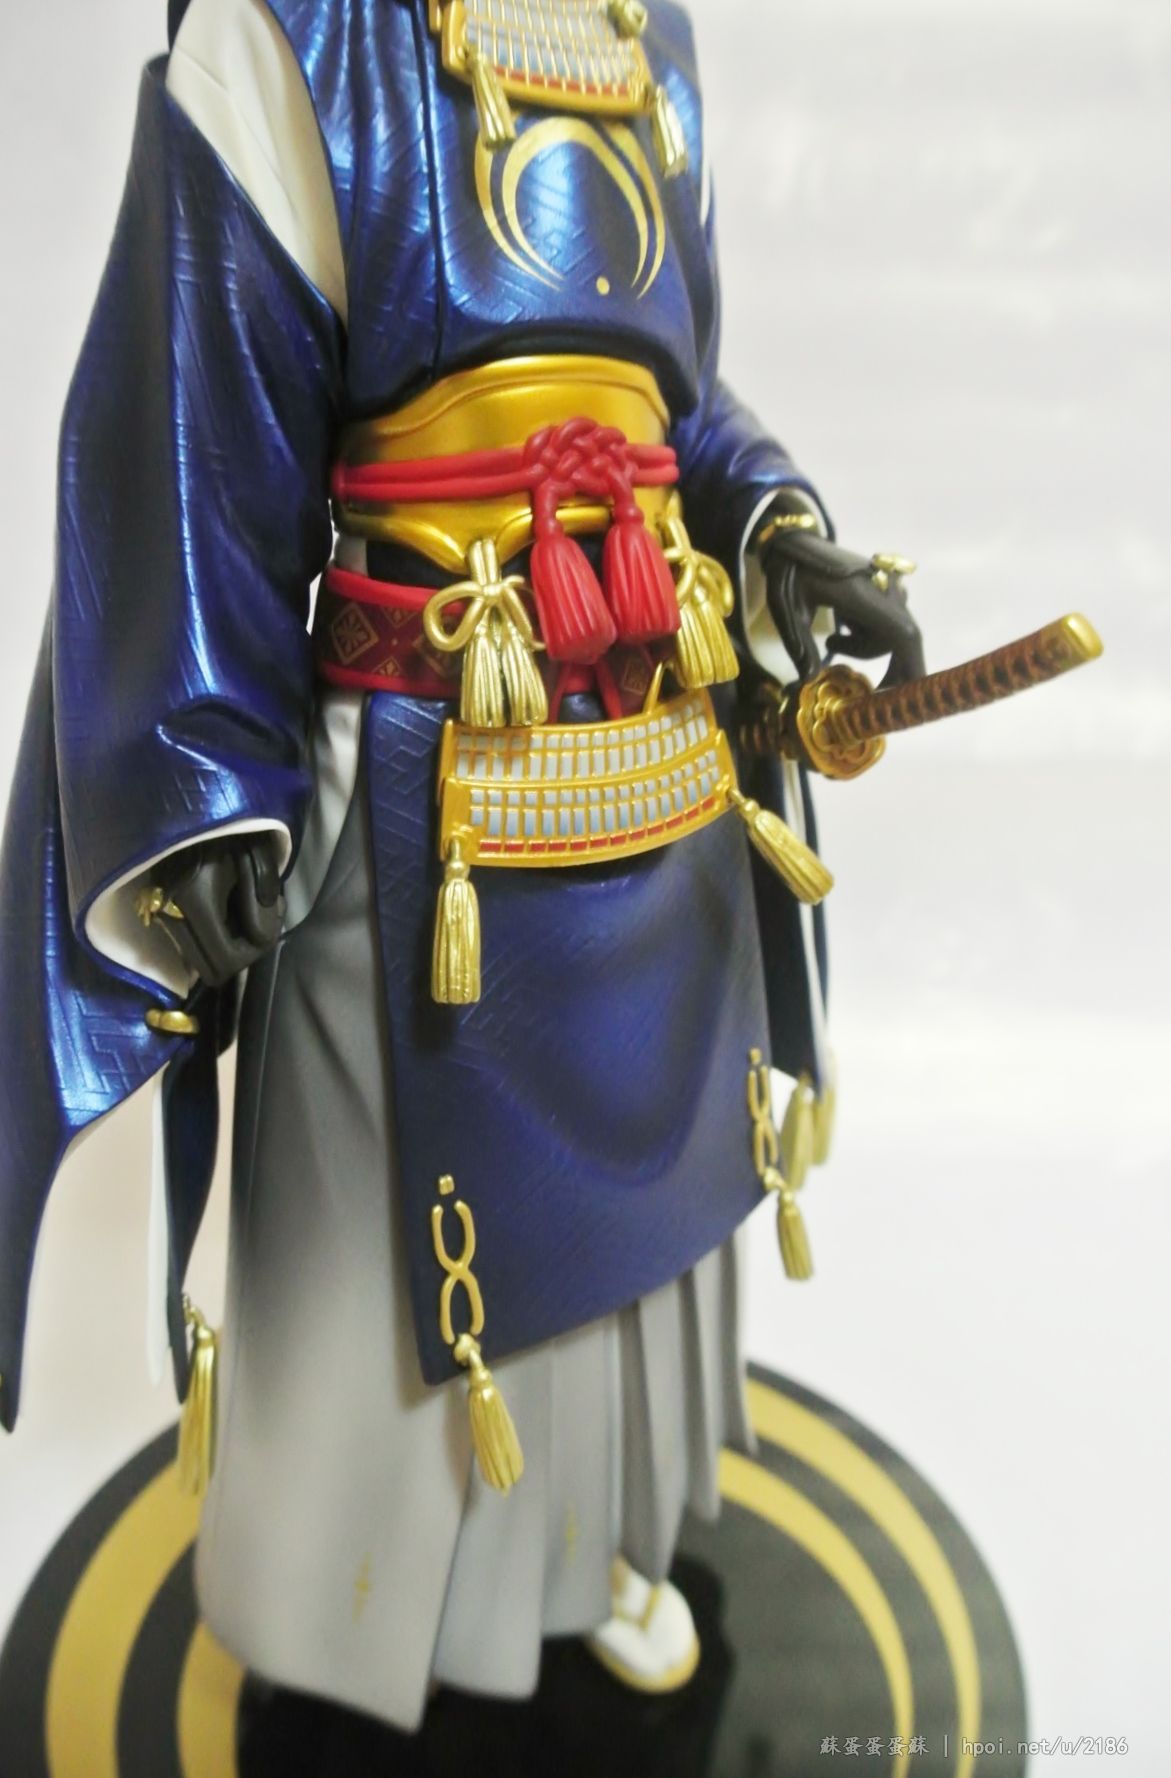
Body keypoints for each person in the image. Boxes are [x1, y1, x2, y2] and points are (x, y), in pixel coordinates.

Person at [0, 0, 922, 1731]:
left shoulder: (650, 38)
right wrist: (210, 775)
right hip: (425, 780)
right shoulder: (302, 36)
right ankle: (356, 1620)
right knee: (386, 1243)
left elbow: (673, 402)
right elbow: (193, 423)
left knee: (648, 1222)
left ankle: (596, 1556)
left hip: (656, 748)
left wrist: (777, 525)